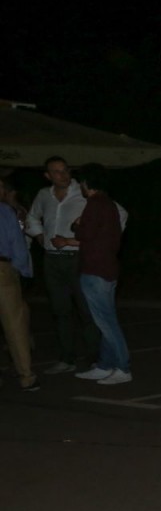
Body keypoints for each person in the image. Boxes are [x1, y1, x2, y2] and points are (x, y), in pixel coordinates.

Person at [25, 157, 100, 373]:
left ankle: (95, 358)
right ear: (47, 176)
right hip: (52, 259)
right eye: (57, 172)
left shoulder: (83, 192)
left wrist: (87, 241)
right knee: (60, 311)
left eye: (65, 170)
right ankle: (67, 358)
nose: (63, 175)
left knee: (86, 310)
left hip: (77, 257)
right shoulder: (43, 195)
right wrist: (40, 236)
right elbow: (31, 218)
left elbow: (116, 215)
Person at [64, 165, 131, 384]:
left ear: (86, 183)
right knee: (106, 320)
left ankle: (123, 367)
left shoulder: (94, 204)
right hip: (108, 267)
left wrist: (76, 225)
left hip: (95, 270)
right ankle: (105, 365)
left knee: (106, 323)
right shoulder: (110, 204)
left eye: (81, 183)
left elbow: (86, 233)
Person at [0, 196, 37, 392]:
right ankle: (26, 375)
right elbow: (17, 242)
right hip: (3, 269)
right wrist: (21, 270)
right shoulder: (4, 211)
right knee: (15, 323)